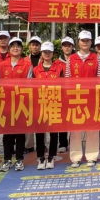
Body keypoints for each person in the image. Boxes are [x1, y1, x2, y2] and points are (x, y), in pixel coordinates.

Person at [66, 31, 100, 168]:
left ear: (91, 42)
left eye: (88, 40)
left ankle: (92, 156)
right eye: (83, 40)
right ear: (78, 42)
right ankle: (75, 157)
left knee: (92, 128)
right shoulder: (71, 59)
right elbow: (67, 79)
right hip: (75, 98)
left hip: (92, 98)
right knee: (75, 129)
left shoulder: (96, 58)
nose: (85, 43)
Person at [0, 37, 31, 172]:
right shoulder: (0, 65)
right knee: (7, 134)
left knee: (20, 133)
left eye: (18, 46)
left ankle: (19, 159)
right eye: (13, 46)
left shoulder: (27, 65)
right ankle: (6, 159)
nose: (15, 48)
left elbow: (29, 84)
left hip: (21, 103)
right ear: (9, 49)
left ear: (22, 49)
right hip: (6, 104)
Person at [32, 41, 62, 170]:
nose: (47, 54)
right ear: (41, 53)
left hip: (54, 102)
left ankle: (51, 156)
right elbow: (31, 87)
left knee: (54, 131)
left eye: (49, 52)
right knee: (40, 131)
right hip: (40, 104)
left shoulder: (59, 68)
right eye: (45, 52)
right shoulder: (35, 69)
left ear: (53, 53)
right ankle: (40, 156)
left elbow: (63, 86)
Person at [24, 36, 43, 154]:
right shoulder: (25, 60)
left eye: (37, 45)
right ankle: (29, 145)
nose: (35, 47)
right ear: (29, 46)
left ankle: (42, 144)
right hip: (29, 93)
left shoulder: (45, 58)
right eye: (33, 45)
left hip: (41, 93)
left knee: (41, 119)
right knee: (29, 119)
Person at [57, 37, 75, 154]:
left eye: (69, 46)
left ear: (73, 47)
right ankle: (63, 143)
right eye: (65, 45)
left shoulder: (76, 60)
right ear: (62, 47)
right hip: (61, 95)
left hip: (74, 94)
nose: (67, 48)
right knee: (62, 119)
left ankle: (72, 142)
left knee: (73, 120)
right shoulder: (57, 63)